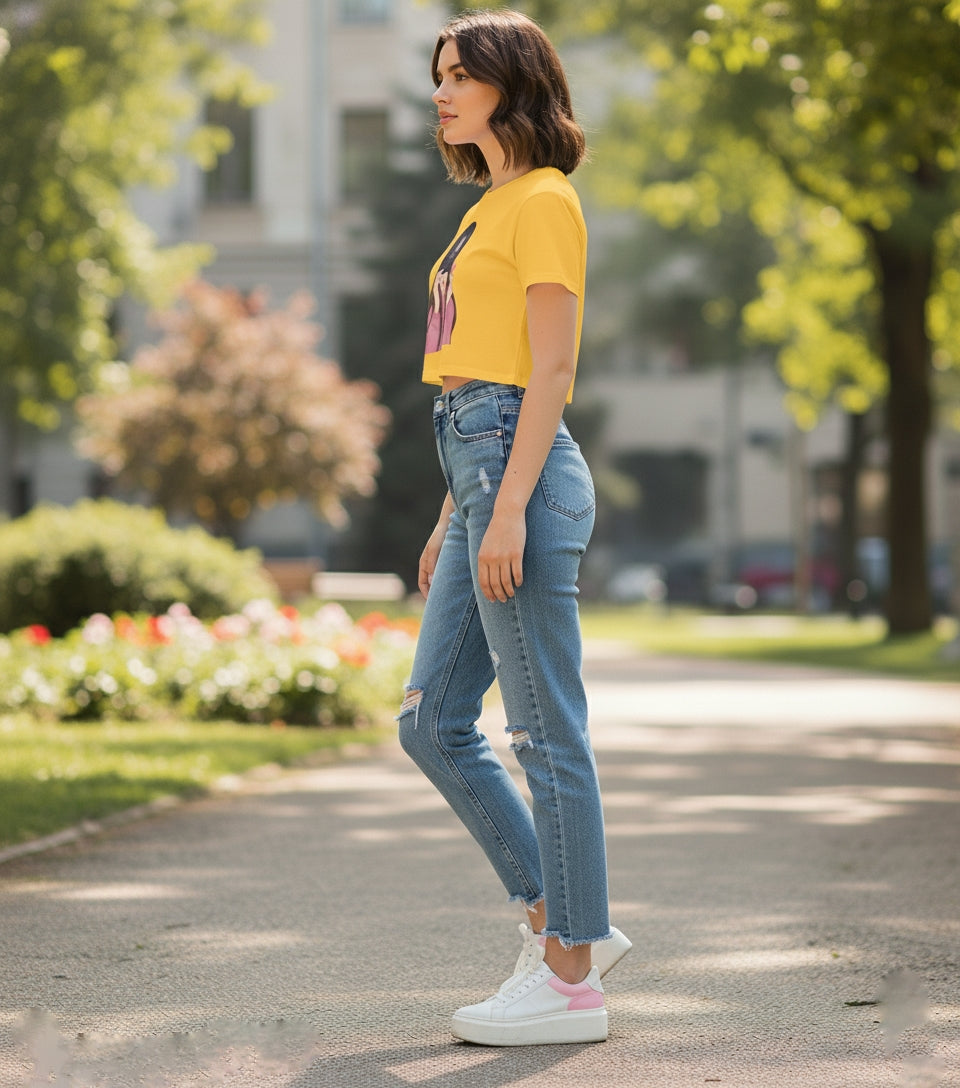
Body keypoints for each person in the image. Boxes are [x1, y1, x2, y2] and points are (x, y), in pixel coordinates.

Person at [397, 9, 631, 1047]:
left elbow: (549, 370)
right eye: (439, 76)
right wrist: (455, 513)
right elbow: (467, 364)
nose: (442, 94)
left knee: (543, 727)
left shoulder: (543, 201)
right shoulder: (485, 206)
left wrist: (506, 509)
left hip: (518, 468)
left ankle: (571, 974)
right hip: (476, 460)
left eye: (461, 76)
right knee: (430, 719)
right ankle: (560, 924)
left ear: (512, 85)